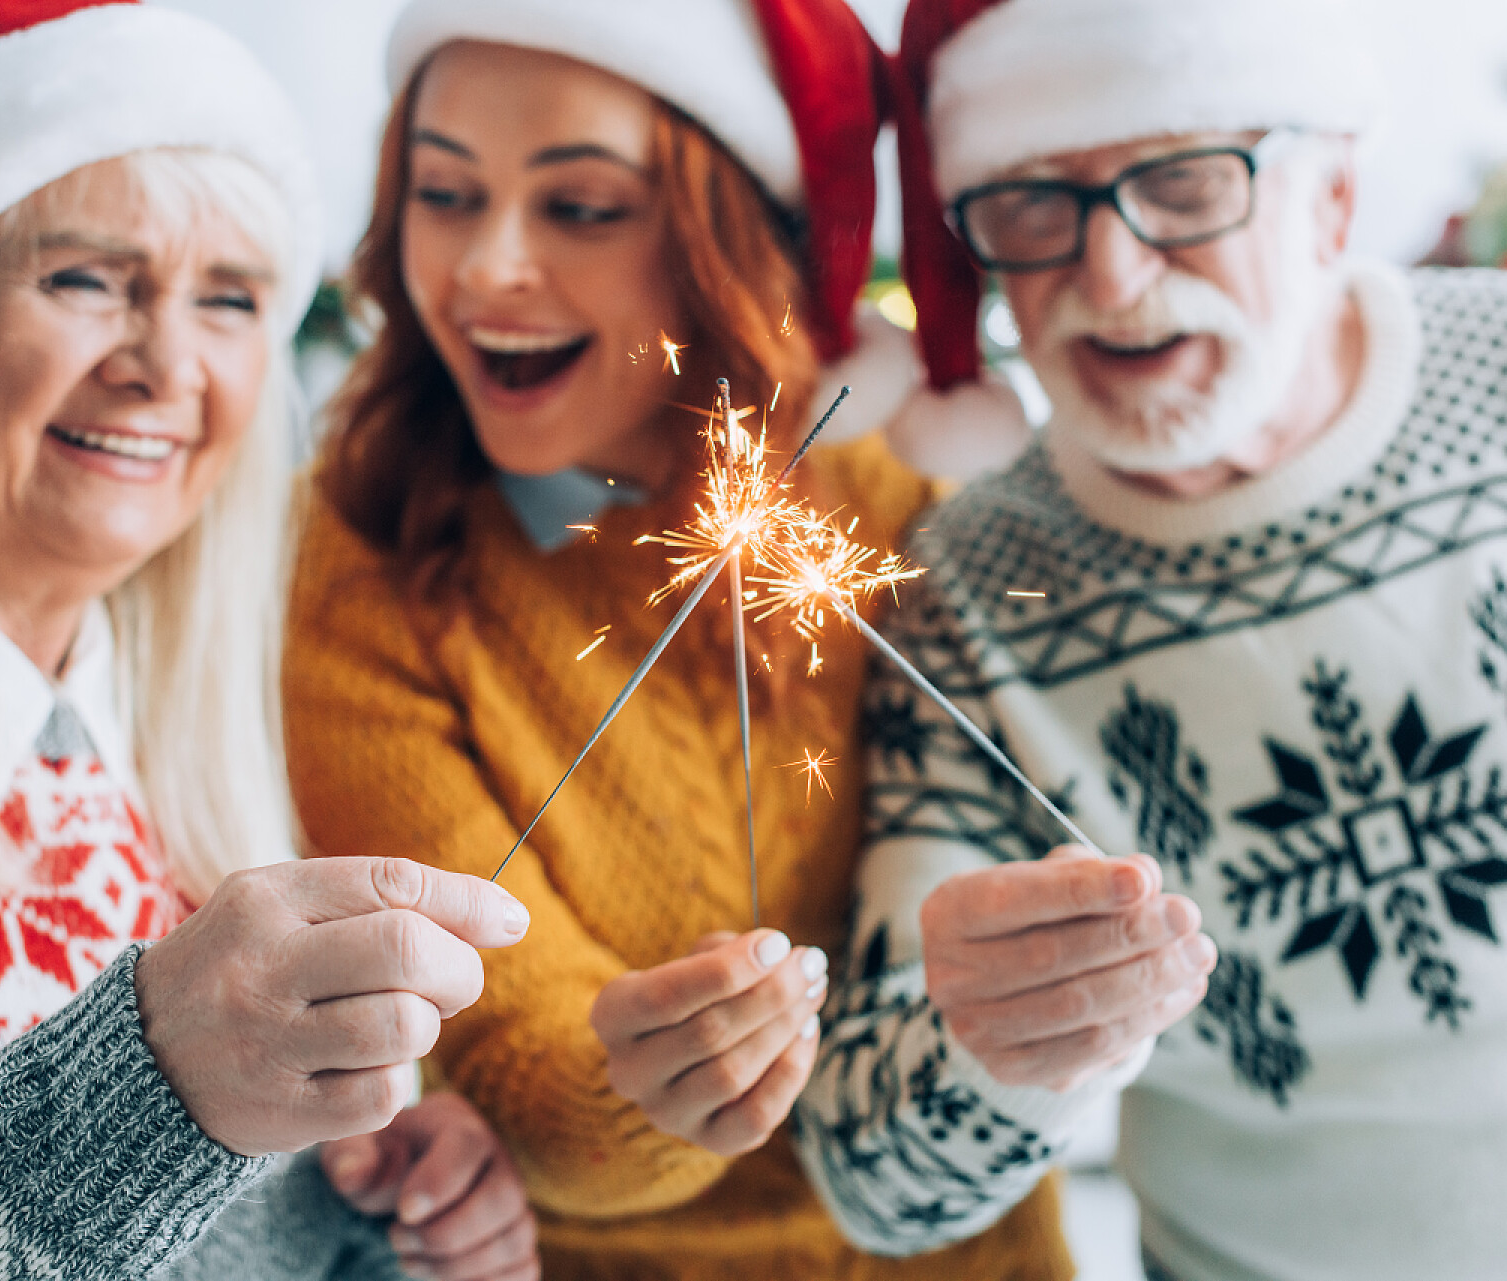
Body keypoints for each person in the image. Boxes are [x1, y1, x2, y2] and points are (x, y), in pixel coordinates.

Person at [0, 3, 538, 1277]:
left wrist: (360, 1220)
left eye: (232, 299)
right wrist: (150, 1092)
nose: (167, 363)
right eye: (84, 277)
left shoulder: (186, 728)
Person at [792, 0, 1507, 1278]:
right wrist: (998, 1055)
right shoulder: (967, 599)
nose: (1107, 279)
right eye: (1032, 204)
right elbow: (874, 1187)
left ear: (1330, 198)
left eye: (1181, 183)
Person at [282, 1, 1071, 1278]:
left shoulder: (905, 486)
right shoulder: (375, 554)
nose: (486, 268)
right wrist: (636, 1082)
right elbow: (498, 1046)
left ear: (726, 229)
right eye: (443, 192)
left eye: (582, 206)